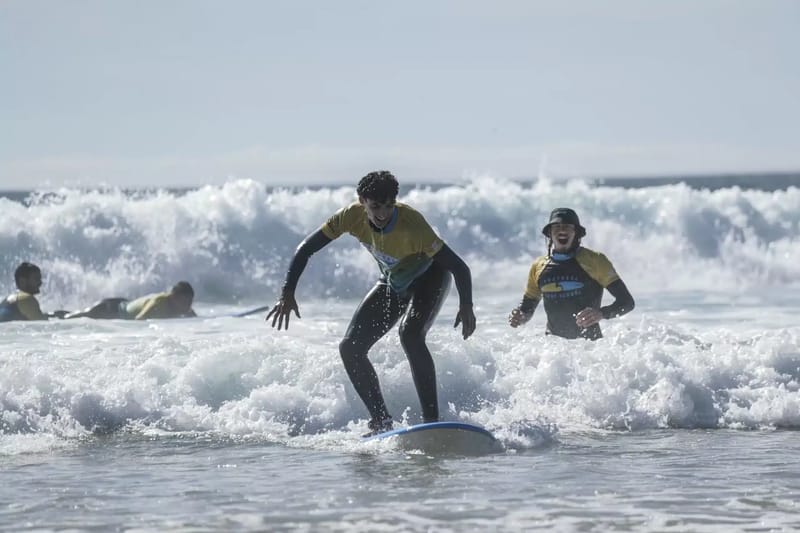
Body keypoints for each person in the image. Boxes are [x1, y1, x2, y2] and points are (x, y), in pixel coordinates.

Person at [266, 170, 476, 436]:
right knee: (350, 348)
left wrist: (466, 305)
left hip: (430, 277)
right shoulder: (349, 216)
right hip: (393, 282)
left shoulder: (413, 224)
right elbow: (305, 249)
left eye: (389, 206)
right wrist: (288, 292)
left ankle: (431, 421)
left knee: (410, 335)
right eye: (375, 206)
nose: (383, 213)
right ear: (362, 200)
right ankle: (381, 420)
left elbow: (459, 266)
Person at [508, 207, 634, 340]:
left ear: (576, 232)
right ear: (550, 233)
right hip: (552, 349)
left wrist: (601, 314)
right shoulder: (538, 266)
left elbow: (627, 302)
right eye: (556, 226)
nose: (562, 230)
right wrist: (520, 316)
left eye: (567, 226)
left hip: (591, 349)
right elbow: (527, 308)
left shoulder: (595, 261)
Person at [64, 281, 197, 320]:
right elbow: (139, 319)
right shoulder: (159, 301)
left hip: (124, 304)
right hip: (112, 308)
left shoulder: (184, 309)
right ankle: (55, 316)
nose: (188, 305)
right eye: (185, 301)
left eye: (190, 301)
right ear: (174, 297)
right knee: (74, 317)